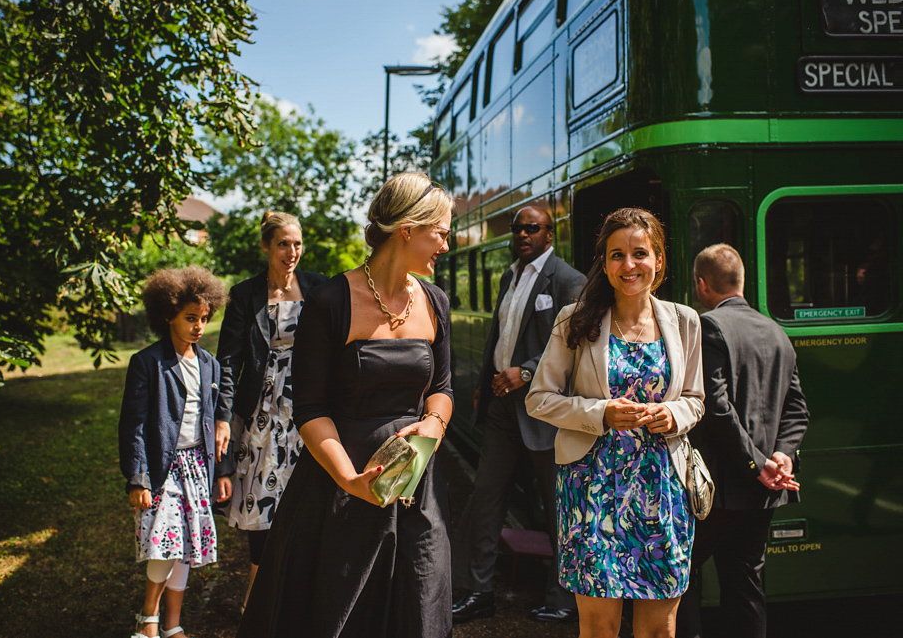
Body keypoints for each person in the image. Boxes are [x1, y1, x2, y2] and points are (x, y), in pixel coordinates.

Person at [235, 172, 455, 638]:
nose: (447, 245)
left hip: (416, 490)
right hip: (339, 488)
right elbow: (310, 407)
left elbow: (443, 386)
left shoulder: (435, 300)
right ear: (408, 229)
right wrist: (349, 481)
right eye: (441, 232)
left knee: (416, 605)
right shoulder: (330, 300)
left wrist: (433, 424)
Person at [525, 207, 705, 638]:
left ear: (659, 259)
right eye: (617, 255)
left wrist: (671, 413)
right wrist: (600, 414)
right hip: (592, 490)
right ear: (604, 264)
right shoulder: (576, 319)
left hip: (662, 488)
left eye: (639, 254)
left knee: (659, 630)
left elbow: (696, 401)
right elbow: (538, 399)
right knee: (600, 628)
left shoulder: (685, 321)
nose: (629, 266)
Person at [451, 205, 585, 624]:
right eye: (519, 228)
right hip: (502, 408)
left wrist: (526, 370)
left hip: (545, 411)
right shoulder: (510, 275)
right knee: (487, 496)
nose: (524, 234)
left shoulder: (568, 281)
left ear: (550, 233)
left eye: (534, 228)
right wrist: (483, 385)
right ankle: (479, 591)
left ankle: (564, 598)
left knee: (556, 505)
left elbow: (575, 344)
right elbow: (500, 335)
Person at [675, 244, 809, 638]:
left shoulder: (708, 326)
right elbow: (797, 409)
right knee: (745, 583)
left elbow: (716, 409)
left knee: (680, 574)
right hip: (764, 491)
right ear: (742, 281)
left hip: (720, 489)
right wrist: (780, 456)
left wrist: (759, 464)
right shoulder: (777, 331)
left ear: (701, 284)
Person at [214, 211, 328, 613]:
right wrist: (223, 415)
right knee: (262, 499)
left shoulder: (318, 287)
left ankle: (302, 594)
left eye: (297, 243)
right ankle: (256, 597)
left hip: (309, 409)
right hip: (262, 413)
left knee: (308, 499)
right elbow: (227, 360)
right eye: (283, 244)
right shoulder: (245, 294)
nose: (292, 252)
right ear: (265, 246)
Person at [118, 265, 232, 638]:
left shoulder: (209, 365)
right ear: (167, 315)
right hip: (161, 469)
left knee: (186, 546)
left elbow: (216, 424)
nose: (199, 326)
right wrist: (138, 477)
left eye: (204, 318)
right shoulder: (147, 363)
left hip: (197, 467)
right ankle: (147, 618)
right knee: (163, 544)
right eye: (190, 318)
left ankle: (172, 624)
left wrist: (223, 470)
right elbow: (133, 424)